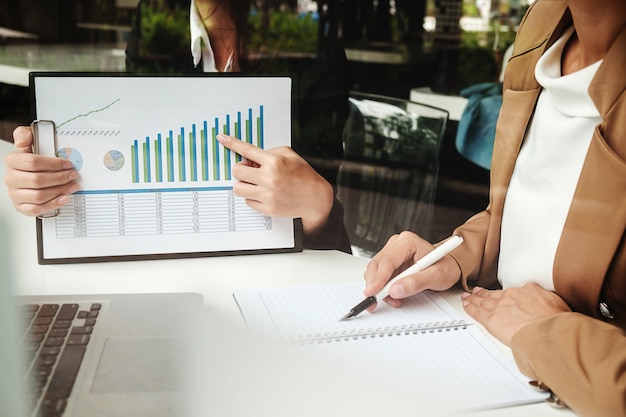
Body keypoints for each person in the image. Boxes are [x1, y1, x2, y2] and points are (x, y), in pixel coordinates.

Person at [362, 1, 626, 416]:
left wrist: (551, 336)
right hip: (488, 359)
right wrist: (456, 254)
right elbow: (535, 212)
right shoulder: (542, 27)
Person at [4, 0, 351, 253]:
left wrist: (318, 204)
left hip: (281, 270)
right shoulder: (156, 17)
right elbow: (135, 146)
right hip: (174, 263)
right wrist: (54, 179)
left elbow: (323, 215)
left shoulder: (309, 35)